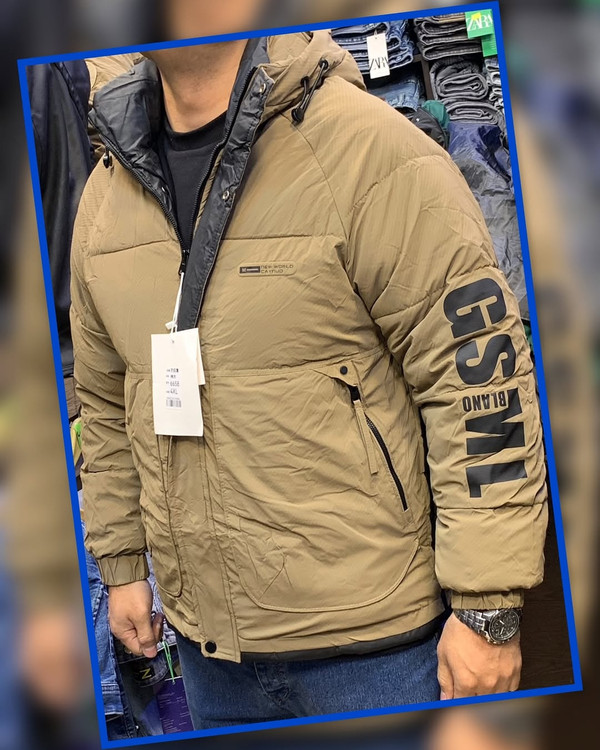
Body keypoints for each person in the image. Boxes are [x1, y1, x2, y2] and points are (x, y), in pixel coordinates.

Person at [70, 30, 548, 729]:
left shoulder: (371, 150)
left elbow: (476, 374)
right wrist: (120, 566)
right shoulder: (105, 198)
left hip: (378, 652)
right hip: (211, 655)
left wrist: (488, 607)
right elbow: (107, 405)